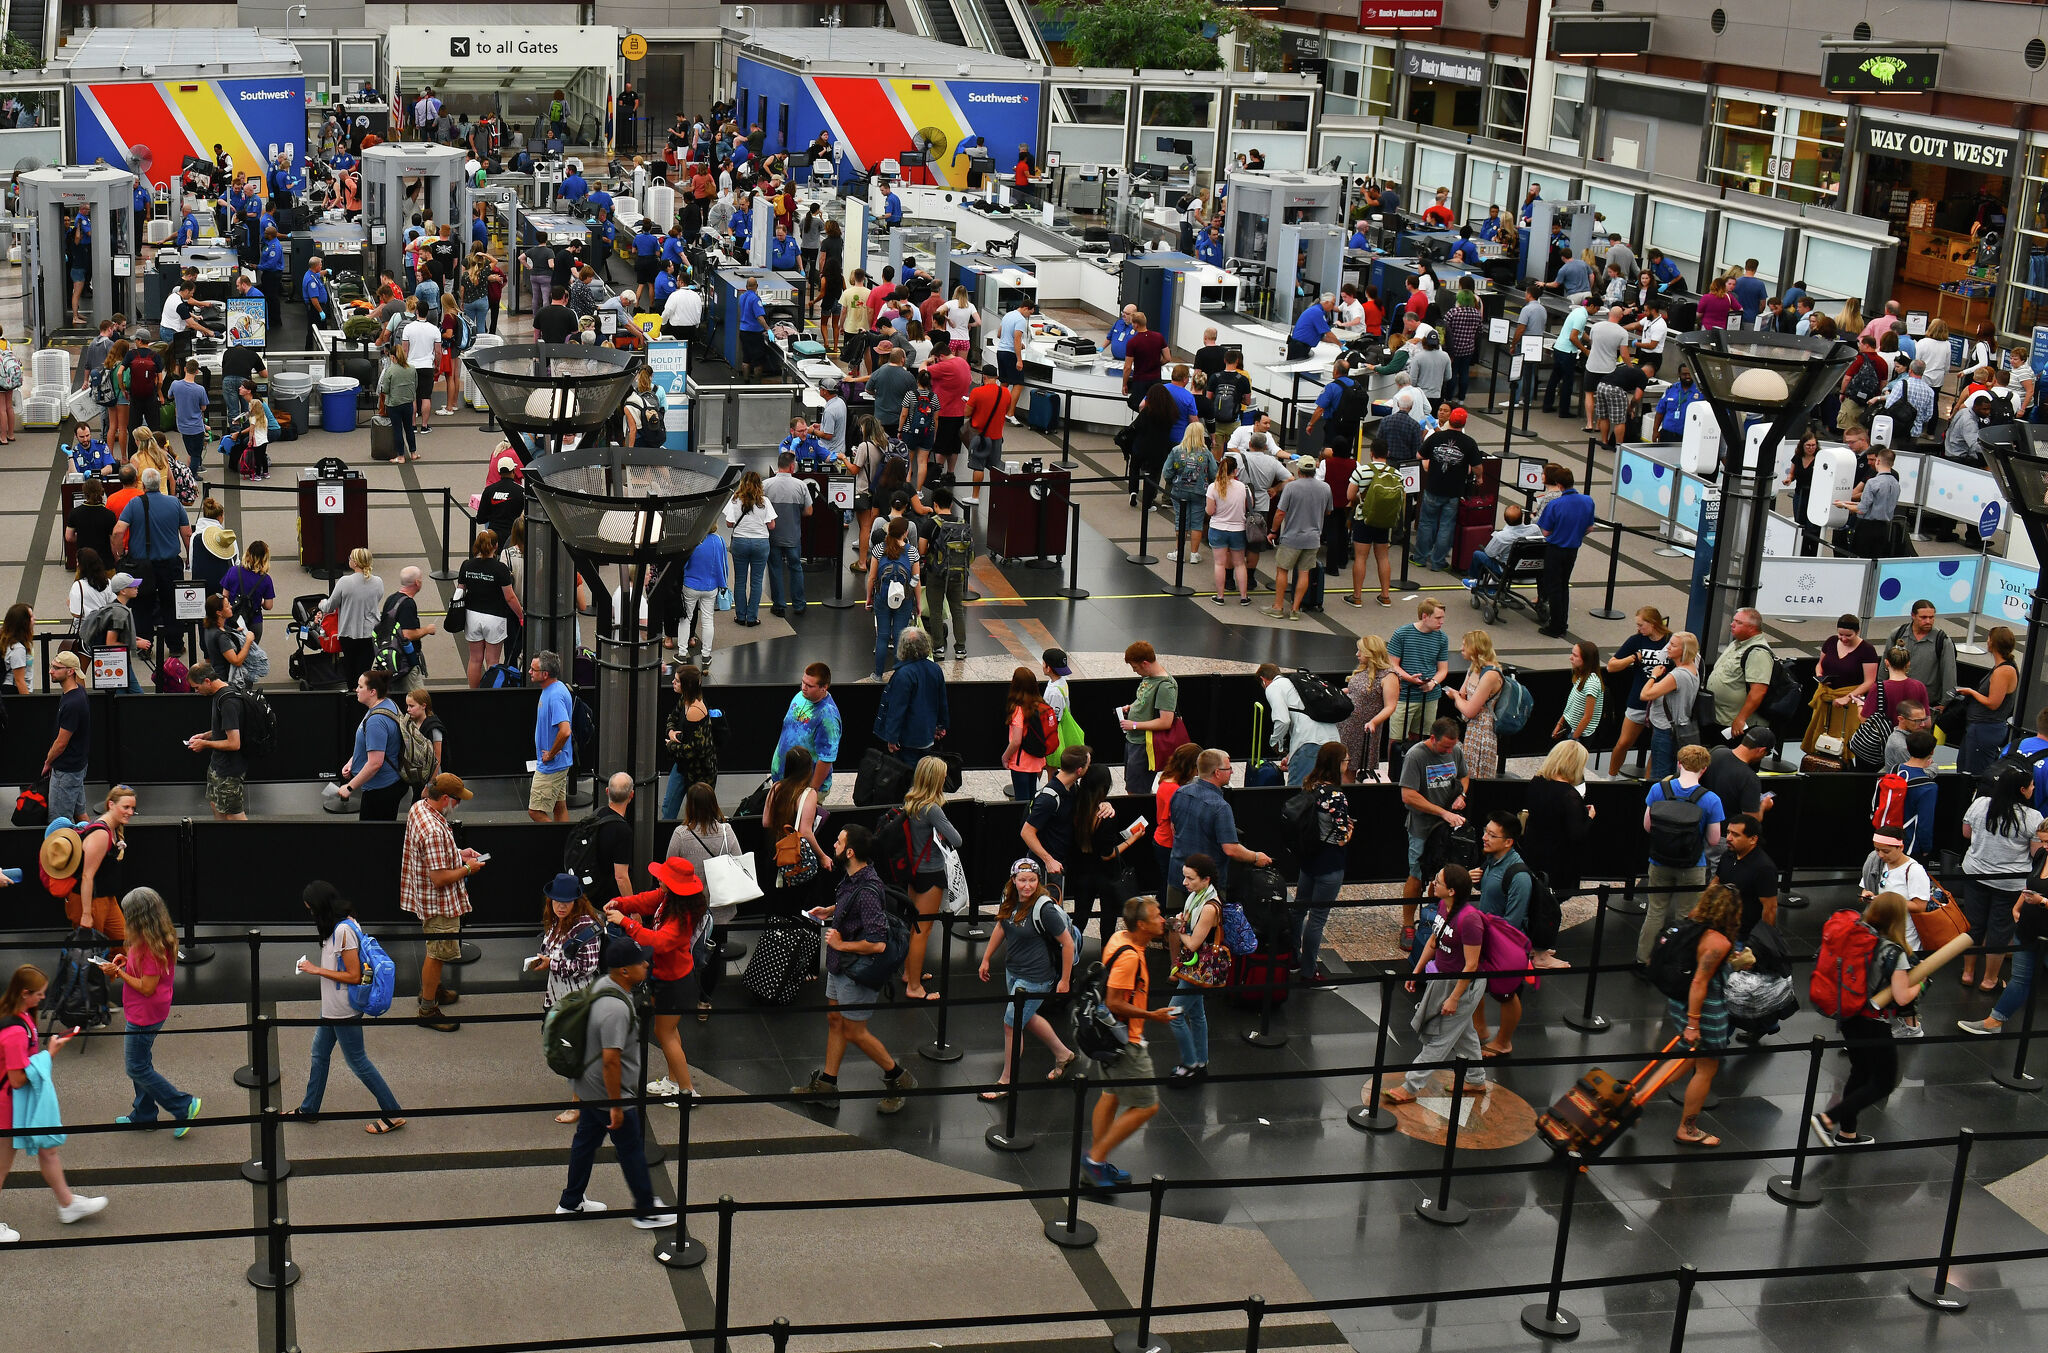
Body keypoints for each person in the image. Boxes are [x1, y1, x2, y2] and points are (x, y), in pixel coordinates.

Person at [790, 826, 919, 1114]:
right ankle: (827, 1084)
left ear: (850, 852)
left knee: (855, 1031)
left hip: (854, 969)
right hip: (840, 965)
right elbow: (853, 904)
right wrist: (832, 910)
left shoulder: (869, 889)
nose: (833, 843)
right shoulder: (854, 877)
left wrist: (840, 943)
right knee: (835, 1019)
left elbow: (877, 945)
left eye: (838, 840)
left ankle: (898, 1077)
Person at [554, 931, 677, 1227]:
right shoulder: (616, 1008)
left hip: (587, 1084)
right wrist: (616, 1106)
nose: (646, 966)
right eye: (640, 963)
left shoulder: (604, 986)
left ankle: (570, 1202)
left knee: (585, 1143)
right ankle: (646, 1209)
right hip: (608, 1092)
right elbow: (611, 1061)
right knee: (631, 1148)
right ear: (625, 970)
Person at [0, 966, 109, 1238]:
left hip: (16, 1103)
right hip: (7, 1107)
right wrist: (49, 1055)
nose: (43, 999)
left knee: (47, 1149)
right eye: (39, 994)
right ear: (24, 994)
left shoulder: (18, 1016)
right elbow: (17, 1079)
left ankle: (68, 1205)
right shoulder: (15, 1031)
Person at [290, 881, 406, 1134]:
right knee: (319, 1055)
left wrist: (315, 969)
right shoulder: (341, 923)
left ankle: (393, 1112)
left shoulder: (344, 930)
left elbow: (354, 975)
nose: (310, 914)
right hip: (332, 1009)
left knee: (358, 1062)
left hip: (343, 1010)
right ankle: (309, 1109)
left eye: (311, 909)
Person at [1083, 895, 1179, 1187]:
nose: (1163, 919)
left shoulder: (1119, 937)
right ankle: (1095, 1159)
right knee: (1147, 1106)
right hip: (1127, 1041)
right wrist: (1152, 1015)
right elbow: (1114, 1002)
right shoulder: (1129, 956)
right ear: (1142, 924)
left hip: (1107, 1036)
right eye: (1157, 916)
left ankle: (1098, 1165)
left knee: (1110, 1094)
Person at [1383, 864, 1486, 1106]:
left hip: (1463, 985)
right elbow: (1433, 940)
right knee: (1464, 1032)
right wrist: (1417, 970)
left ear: (1451, 890)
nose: (1433, 883)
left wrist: (1454, 998)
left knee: (1440, 1037)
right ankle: (1476, 1078)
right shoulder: (1443, 906)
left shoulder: (1470, 920)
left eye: (1438, 881)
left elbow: (1471, 966)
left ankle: (1410, 1086)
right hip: (1443, 978)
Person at [605, 857, 707, 1100]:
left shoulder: (682, 917)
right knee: (669, 1032)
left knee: (665, 1034)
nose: (659, 879)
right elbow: (643, 900)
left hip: (675, 983)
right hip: (668, 977)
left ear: (673, 885)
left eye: (663, 877)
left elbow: (659, 942)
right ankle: (674, 1081)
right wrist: (621, 903)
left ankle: (686, 1092)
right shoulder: (672, 900)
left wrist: (626, 922)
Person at [978, 858, 1077, 1095]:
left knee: (1010, 1025)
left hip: (1035, 977)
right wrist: (986, 957)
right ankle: (1064, 1054)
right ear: (1013, 880)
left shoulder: (1045, 909)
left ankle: (1006, 1081)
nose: (1027, 886)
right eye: (1022, 880)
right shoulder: (1009, 898)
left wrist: (1064, 980)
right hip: (1014, 971)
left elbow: (1067, 944)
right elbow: (1002, 926)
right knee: (1027, 1017)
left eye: (1032, 880)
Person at [1667, 883, 1743, 1148]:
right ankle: (1687, 1128)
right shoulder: (1718, 941)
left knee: (1686, 1056)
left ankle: (1636, 1095)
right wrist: (1693, 1023)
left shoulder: (1693, 924)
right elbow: (1701, 981)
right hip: (1704, 1010)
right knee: (1706, 1067)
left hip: (1679, 999)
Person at [1638, 744, 1726, 968]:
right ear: (1704, 769)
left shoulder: (1659, 789)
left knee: (1655, 912)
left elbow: (1648, 826)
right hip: (1693, 865)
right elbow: (1715, 840)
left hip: (1658, 861)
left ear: (1679, 764)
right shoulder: (1711, 799)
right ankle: (1676, 962)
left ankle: (1643, 960)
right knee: (1686, 915)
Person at [1958, 763, 2040, 991]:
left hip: (1974, 874)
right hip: (2009, 883)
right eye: (2031, 785)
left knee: (1973, 925)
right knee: (2000, 931)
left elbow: (1966, 833)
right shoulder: (2032, 817)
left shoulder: (1980, 804)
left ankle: (1967, 973)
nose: (2033, 788)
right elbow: (2035, 853)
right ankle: (1989, 980)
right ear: (2022, 790)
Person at [1399, 718, 1470, 946]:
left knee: (1441, 875)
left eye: (1452, 746)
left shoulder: (1455, 750)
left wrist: (1462, 795)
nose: (1449, 751)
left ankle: (1432, 918)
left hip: (1446, 826)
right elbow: (1408, 795)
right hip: (1422, 827)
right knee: (1416, 874)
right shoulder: (1416, 756)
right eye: (1445, 747)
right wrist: (1442, 812)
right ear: (1432, 738)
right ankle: (1408, 924)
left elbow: (1463, 776)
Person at [1292, 743, 1355, 979]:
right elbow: (1340, 839)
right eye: (1346, 760)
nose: (1348, 763)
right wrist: (1349, 832)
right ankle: (1309, 971)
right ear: (1337, 764)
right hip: (1330, 862)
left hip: (1308, 857)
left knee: (1298, 910)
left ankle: (1292, 959)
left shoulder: (1309, 785)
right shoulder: (1336, 795)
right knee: (1317, 918)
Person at [1266, 455, 1332, 620]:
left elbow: (1281, 512)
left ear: (1299, 470)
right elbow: (1328, 511)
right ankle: (1295, 609)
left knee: (1282, 570)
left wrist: (1273, 530)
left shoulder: (1291, 487)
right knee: (1304, 573)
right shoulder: (1325, 488)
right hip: (1313, 538)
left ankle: (1278, 606)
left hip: (1292, 537)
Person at [1415, 409, 1480, 573]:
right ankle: (1438, 562)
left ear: (1450, 420)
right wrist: (1480, 478)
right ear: (1464, 423)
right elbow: (1477, 466)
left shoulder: (1436, 437)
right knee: (1446, 526)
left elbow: (1419, 455)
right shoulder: (1469, 443)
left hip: (1433, 487)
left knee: (1426, 523)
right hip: (1454, 491)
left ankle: (1420, 558)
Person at [455, 529, 521, 688]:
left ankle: (474, 693)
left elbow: (460, 590)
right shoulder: (500, 568)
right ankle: (490, 694)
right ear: (496, 546)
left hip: (472, 615)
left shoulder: (467, 565)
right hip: (494, 617)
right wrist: (521, 614)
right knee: (492, 661)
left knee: (475, 659)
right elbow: (510, 597)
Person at [1535, 465, 1596, 637]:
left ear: (1559, 485)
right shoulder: (1587, 501)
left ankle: (1555, 625)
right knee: (1564, 585)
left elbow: (1545, 531)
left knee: (1553, 587)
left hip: (1555, 549)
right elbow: (1590, 528)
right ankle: (1563, 621)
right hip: (1573, 549)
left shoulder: (1555, 504)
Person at [1257, 663, 1341, 787]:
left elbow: (1282, 720)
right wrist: (1291, 755)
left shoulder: (1273, 687)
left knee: (1297, 793)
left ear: (1263, 679)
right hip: (1333, 740)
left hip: (1309, 742)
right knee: (1327, 791)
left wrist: (1275, 742)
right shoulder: (1297, 684)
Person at [875, 628, 948, 766]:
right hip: (927, 735)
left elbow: (897, 709)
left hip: (908, 739)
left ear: (903, 648)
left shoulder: (903, 674)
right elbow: (942, 701)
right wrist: (941, 725)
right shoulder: (935, 669)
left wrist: (892, 737)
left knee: (908, 779)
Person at [1118, 642, 1181, 795]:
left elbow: (1166, 721)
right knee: (1131, 783)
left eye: (1136, 667)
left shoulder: (1166, 686)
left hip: (1145, 746)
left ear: (1145, 663)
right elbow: (1143, 699)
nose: (1135, 671)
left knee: (1137, 790)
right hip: (1134, 741)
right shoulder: (1149, 677)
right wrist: (1132, 707)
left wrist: (1134, 725)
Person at [1387, 598, 1451, 747]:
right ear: (1424, 616)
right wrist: (1409, 678)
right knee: (1396, 739)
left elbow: (1443, 669)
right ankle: (1395, 770)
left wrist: (1433, 682)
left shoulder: (1442, 638)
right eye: (1438, 618)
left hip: (1429, 696)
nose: (1441, 622)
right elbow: (1392, 664)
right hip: (1404, 695)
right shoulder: (1402, 633)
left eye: (1443, 618)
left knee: (1422, 737)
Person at [1956, 626, 2019, 774]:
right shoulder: (2001, 667)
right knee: (1963, 767)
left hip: (1985, 728)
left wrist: (1971, 692)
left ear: (1993, 643)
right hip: (1979, 727)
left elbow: (1993, 703)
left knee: (1975, 773)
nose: (1987, 641)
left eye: (1989, 638)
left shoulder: (2004, 671)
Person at [1339, 634, 1400, 782]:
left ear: (1371, 653)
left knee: (1351, 767)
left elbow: (1390, 706)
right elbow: (1357, 690)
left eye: (1360, 651)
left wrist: (1373, 722)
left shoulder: (1389, 676)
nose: (1357, 654)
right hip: (1345, 725)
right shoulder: (1363, 669)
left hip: (1363, 728)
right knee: (1341, 765)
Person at [773, 663, 841, 793]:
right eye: (803, 682)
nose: (804, 688)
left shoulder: (828, 717)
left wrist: (811, 791)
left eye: (810, 686)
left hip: (802, 788)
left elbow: (826, 759)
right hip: (783, 779)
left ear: (824, 687)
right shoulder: (800, 696)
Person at [1715, 814, 1780, 943]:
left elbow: (1770, 908)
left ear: (1753, 839)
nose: (1728, 838)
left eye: (1736, 835)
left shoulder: (1764, 868)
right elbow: (1716, 881)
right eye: (1728, 832)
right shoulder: (1728, 855)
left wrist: (1763, 943)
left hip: (1743, 937)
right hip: (1719, 928)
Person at [1451, 630, 1506, 780]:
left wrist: (1457, 698)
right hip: (1471, 729)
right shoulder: (1474, 667)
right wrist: (1460, 699)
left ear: (1475, 648)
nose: (1461, 649)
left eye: (1465, 646)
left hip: (1483, 731)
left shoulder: (1490, 675)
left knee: (1478, 775)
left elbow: (1468, 709)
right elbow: (1463, 696)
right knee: (1466, 772)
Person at [528, 651, 575, 824]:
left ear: (545, 674)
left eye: (533, 669)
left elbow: (565, 731)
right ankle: (564, 843)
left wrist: (551, 754)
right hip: (559, 764)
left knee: (535, 811)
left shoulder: (554, 696)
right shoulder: (555, 688)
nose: (529, 672)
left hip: (551, 766)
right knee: (559, 806)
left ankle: (555, 841)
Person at [1001, 667, 1051, 801]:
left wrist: (1005, 757)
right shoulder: (1041, 704)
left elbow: (1016, 741)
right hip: (1037, 760)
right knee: (1032, 798)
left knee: (1022, 801)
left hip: (1021, 762)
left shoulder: (1018, 709)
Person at [1552, 640, 1606, 745]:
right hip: (1571, 727)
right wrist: (1561, 723)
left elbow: (1587, 717)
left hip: (1580, 735)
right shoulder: (1580, 676)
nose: (1571, 658)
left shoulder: (1591, 684)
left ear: (1586, 660)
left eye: (1575, 656)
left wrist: (1573, 738)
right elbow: (1571, 705)